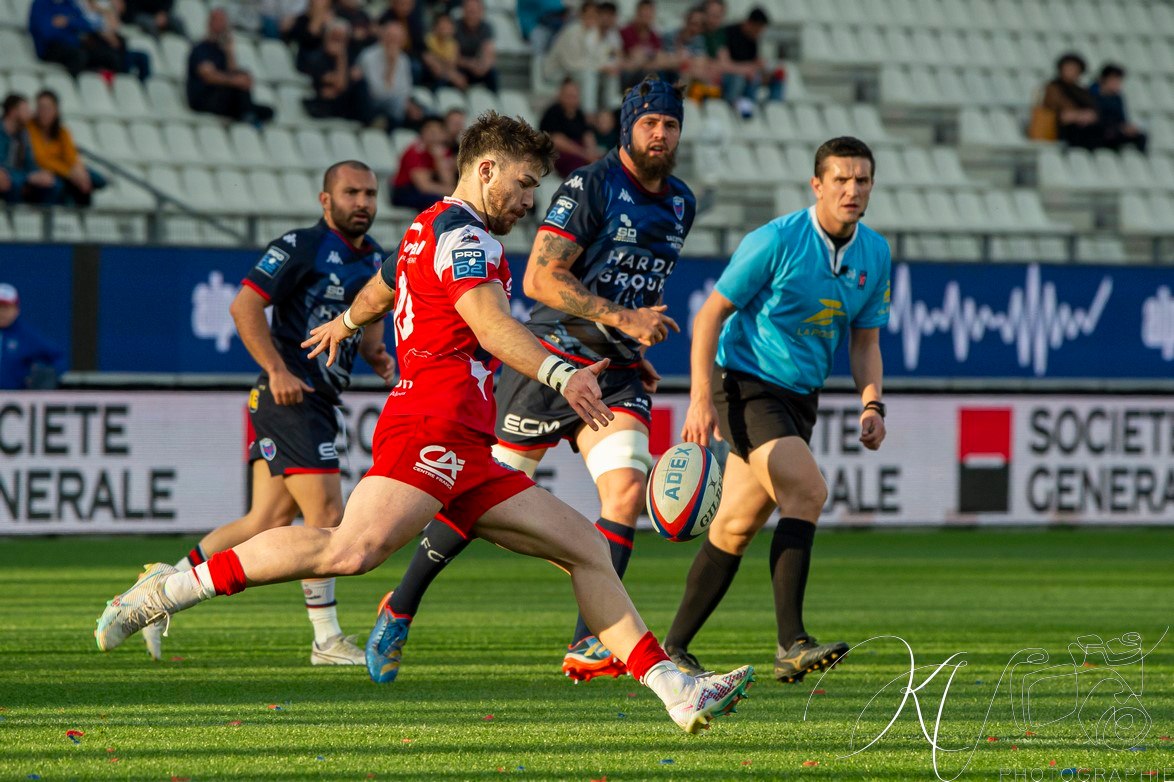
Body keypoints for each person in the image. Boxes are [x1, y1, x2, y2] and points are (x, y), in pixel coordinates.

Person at [95, 112, 754, 736]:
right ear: (489, 169)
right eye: (524, 184)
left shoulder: (423, 229)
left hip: (468, 445)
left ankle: (675, 691)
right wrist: (562, 372)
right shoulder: (468, 238)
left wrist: (349, 323)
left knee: (585, 547)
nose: (530, 201)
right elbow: (491, 325)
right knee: (346, 549)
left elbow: (382, 288)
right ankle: (162, 594)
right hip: (431, 427)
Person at [371, 77, 693, 684]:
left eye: (671, 124)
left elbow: (640, 283)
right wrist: (622, 318)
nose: (660, 133)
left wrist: (632, 339)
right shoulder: (588, 185)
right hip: (547, 359)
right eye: (650, 122)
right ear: (628, 126)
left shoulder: (681, 202)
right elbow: (543, 280)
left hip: (613, 369)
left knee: (624, 491)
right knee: (477, 494)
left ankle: (592, 644)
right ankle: (403, 601)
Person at [137, 160, 394, 665]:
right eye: (350, 193)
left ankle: (157, 588)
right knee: (326, 516)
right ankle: (325, 639)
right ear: (326, 200)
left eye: (369, 193)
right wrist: (277, 370)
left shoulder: (377, 258)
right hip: (291, 396)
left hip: (314, 399)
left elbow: (366, 324)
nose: (362, 202)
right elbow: (244, 307)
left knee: (266, 518)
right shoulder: (301, 246)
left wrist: (377, 355)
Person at [663, 136, 890, 685]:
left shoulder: (875, 253)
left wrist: (872, 403)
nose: (851, 189)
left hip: (799, 397)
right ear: (817, 185)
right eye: (840, 179)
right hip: (744, 384)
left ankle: (670, 648)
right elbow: (710, 315)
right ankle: (791, 643)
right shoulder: (775, 240)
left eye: (861, 180)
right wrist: (699, 398)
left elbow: (864, 342)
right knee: (808, 490)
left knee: (736, 526)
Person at [187, 8, 275, 124]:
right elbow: (209, 77)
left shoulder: (222, 51)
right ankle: (247, 115)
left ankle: (247, 114)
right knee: (239, 86)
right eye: (219, 21)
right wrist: (235, 81)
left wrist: (229, 52)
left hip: (223, 98)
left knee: (267, 111)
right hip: (205, 98)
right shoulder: (200, 49)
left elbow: (232, 71)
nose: (222, 25)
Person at [27, 89, 107, 208]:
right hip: (48, 170)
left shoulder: (62, 132)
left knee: (94, 180)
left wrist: (79, 170)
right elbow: (40, 158)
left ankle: (83, 216)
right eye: (40, 108)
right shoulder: (30, 129)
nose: (43, 112)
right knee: (59, 184)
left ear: (56, 110)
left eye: (48, 108)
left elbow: (71, 155)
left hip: (66, 171)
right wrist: (69, 173)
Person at [302, 18, 376, 124]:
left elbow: (342, 85)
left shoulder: (350, 58)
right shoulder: (316, 58)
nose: (338, 41)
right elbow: (340, 84)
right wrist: (341, 58)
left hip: (343, 103)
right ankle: (370, 120)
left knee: (361, 85)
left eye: (341, 38)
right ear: (326, 36)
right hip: (325, 105)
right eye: (334, 36)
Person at [358, 20, 423, 130]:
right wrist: (391, 67)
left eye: (397, 38)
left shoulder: (403, 59)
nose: (393, 42)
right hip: (373, 104)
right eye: (390, 37)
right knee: (401, 105)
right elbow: (376, 92)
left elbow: (406, 90)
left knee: (425, 110)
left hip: (398, 104)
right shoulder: (368, 56)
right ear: (382, 37)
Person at [0, 283, 66, 391]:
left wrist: (45, 379)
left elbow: (58, 358)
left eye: (6, 308)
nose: (1, 313)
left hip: (15, 398)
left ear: (16, 310)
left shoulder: (25, 336)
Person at [720, 7, 782, 117]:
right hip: (731, 75)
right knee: (746, 78)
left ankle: (774, 111)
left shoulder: (752, 40)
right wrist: (749, 69)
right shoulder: (728, 33)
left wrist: (762, 68)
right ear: (751, 24)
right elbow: (724, 64)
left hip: (748, 74)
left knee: (778, 76)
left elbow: (753, 61)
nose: (759, 33)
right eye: (758, 29)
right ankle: (744, 108)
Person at [0, 93, 62, 205]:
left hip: (20, 175)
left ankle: (44, 220)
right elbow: (3, 167)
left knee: (53, 183)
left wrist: (40, 174)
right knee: (13, 182)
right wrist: (28, 177)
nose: (30, 113)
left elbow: (29, 162)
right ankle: (14, 219)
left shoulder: (23, 134)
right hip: (9, 177)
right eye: (25, 110)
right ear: (13, 111)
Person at [390, 116, 457, 211]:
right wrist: (452, 192)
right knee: (439, 203)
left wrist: (439, 160)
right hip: (405, 191)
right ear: (423, 133)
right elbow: (424, 186)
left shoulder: (443, 152)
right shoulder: (415, 152)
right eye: (431, 132)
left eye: (438, 132)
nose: (435, 137)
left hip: (430, 190)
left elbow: (449, 182)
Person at [539, 78, 602, 176]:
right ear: (561, 95)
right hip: (562, 155)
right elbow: (557, 140)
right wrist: (584, 154)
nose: (572, 99)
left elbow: (587, 134)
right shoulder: (552, 113)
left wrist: (591, 152)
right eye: (568, 96)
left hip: (582, 153)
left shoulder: (579, 114)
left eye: (574, 96)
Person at [1040, 52, 1102, 151]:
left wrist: (1088, 116)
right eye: (1069, 69)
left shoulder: (1082, 91)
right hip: (1062, 128)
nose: (1072, 72)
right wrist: (1078, 115)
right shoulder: (1053, 88)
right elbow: (1057, 112)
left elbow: (1093, 110)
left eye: (1075, 70)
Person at [1089, 63, 1147, 153]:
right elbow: (1094, 118)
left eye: (1118, 81)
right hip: (1099, 131)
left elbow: (1122, 118)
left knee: (1140, 136)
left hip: (1116, 131)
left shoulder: (1117, 98)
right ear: (1103, 79)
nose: (1117, 84)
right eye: (1113, 80)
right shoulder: (1091, 95)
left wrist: (1126, 128)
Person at [454, 0, 498, 92]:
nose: (471, 14)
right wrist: (470, 64)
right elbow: (452, 56)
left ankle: (494, 99)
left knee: (493, 73)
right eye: (469, 10)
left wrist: (483, 67)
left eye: (474, 11)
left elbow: (489, 52)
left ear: (481, 11)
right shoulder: (456, 26)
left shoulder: (486, 27)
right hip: (460, 66)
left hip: (477, 65)